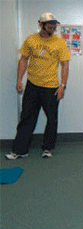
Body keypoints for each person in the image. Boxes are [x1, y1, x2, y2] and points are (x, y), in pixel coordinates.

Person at [5, 12, 70, 160]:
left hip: (51, 87)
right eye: (50, 24)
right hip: (32, 86)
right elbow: (23, 59)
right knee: (27, 117)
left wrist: (62, 86)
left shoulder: (59, 42)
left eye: (54, 24)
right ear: (41, 25)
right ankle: (20, 150)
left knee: (52, 119)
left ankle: (47, 148)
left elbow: (65, 65)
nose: (53, 27)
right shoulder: (31, 40)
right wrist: (19, 80)